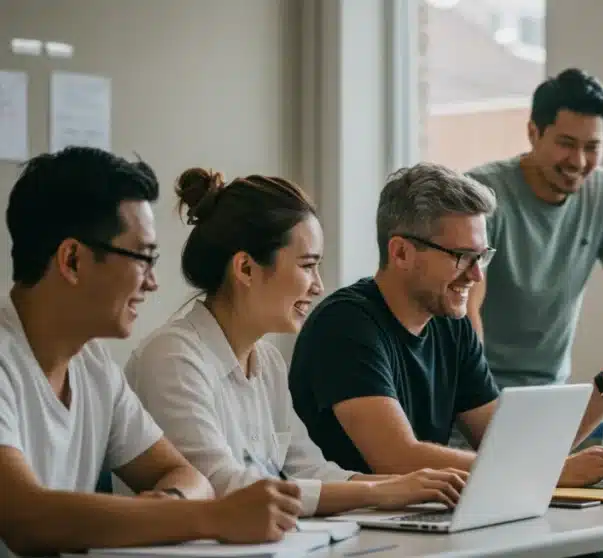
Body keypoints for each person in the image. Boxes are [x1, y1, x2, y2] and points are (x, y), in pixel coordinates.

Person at [289, 162, 603, 487]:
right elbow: (396, 457)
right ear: (400, 253)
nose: (476, 275)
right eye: (462, 257)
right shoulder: (345, 325)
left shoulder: (451, 326)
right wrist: (546, 472)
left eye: (482, 257)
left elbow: (509, 443)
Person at [0, 148, 303, 558]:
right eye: (142, 258)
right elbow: (25, 518)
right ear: (72, 260)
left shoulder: (94, 367)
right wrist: (209, 517)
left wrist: (170, 507)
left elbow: (185, 475)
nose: (153, 282)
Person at [125, 168, 469, 517]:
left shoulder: (268, 363)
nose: (318, 286)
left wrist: (401, 488)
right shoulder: (172, 358)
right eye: (307, 266)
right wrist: (379, 491)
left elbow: (309, 469)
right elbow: (221, 486)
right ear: (245, 269)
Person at [465, 67, 603, 391]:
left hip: (553, 390)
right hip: (478, 384)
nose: (578, 161)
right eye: (566, 144)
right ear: (533, 133)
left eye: (592, 147)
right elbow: (466, 307)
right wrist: (476, 395)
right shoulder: (482, 194)